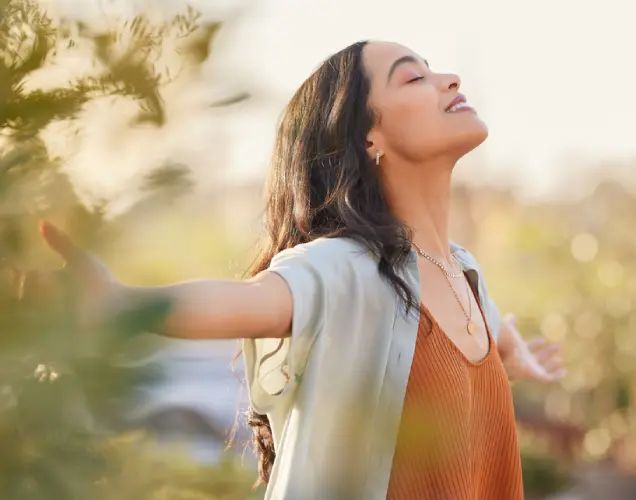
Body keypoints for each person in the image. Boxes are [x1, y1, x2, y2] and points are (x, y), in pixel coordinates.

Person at [36, 41, 565, 499]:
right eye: (413, 77)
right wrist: (120, 304)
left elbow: (477, 336)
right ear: (367, 138)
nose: (449, 79)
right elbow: (249, 302)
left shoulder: (465, 274)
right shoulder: (346, 267)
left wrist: (508, 350)